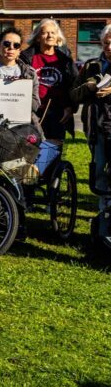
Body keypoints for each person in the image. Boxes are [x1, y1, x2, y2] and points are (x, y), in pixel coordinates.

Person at [71, 25, 111, 242]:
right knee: (99, 174)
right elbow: (74, 95)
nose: (110, 46)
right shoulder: (91, 65)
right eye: (106, 42)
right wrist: (89, 88)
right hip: (96, 129)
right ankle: (103, 221)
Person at [0, 28, 43, 138]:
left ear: (19, 50)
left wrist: (19, 89)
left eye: (16, 45)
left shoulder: (29, 73)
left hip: (20, 131)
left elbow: (35, 105)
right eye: (6, 44)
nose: (11, 48)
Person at [22, 19, 77, 145]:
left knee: (53, 153)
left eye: (53, 32)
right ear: (37, 37)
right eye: (45, 32)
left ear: (58, 37)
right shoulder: (26, 58)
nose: (50, 35)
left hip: (58, 114)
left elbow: (74, 85)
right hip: (33, 113)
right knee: (31, 151)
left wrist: (70, 107)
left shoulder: (65, 60)